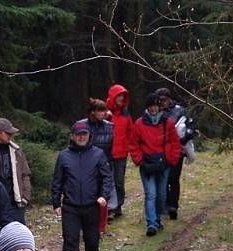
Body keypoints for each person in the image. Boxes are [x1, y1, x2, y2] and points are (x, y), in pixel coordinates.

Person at [50, 121, 113, 251]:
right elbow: (57, 180)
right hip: (70, 207)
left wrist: (104, 196)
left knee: (92, 243)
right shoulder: (64, 156)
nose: (81, 137)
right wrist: (56, 202)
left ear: (89, 135)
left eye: (84, 134)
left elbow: (107, 177)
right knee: (70, 243)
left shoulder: (98, 154)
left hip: (92, 206)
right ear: (72, 136)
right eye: (78, 135)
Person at [129, 93, 182, 237]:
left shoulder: (168, 123)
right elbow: (133, 144)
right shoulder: (139, 123)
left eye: (156, 106)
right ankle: (151, 224)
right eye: (151, 106)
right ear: (147, 107)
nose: (153, 109)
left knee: (161, 195)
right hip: (147, 164)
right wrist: (139, 160)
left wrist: (170, 159)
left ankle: (157, 220)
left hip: (163, 164)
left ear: (160, 107)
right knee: (150, 194)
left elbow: (175, 143)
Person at [155, 87, 196, 220]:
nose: (162, 103)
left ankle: (173, 206)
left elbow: (191, 125)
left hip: (177, 148)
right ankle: (165, 204)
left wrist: (186, 138)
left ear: (169, 98)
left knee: (174, 177)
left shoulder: (180, 110)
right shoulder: (155, 111)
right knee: (163, 178)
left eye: (164, 100)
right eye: (160, 100)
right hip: (161, 149)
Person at [76, 98, 114, 232]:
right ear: (92, 112)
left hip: (104, 164)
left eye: (105, 110)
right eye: (101, 110)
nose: (104, 113)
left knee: (103, 195)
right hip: (85, 165)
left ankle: (101, 227)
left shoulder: (110, 126)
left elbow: (112, 147)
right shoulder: (81, 126)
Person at [106, 84, 138, 218]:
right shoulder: (105, 112)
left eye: (123, 96)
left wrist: (132, 151)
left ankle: (118, 205)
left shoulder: (126, 114)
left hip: (121, 154)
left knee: (119, 181)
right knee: (109, 181)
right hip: (106, 153)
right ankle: (110, 208)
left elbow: (131, 134)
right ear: (113, 96)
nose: (121, 98)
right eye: (119, 95)